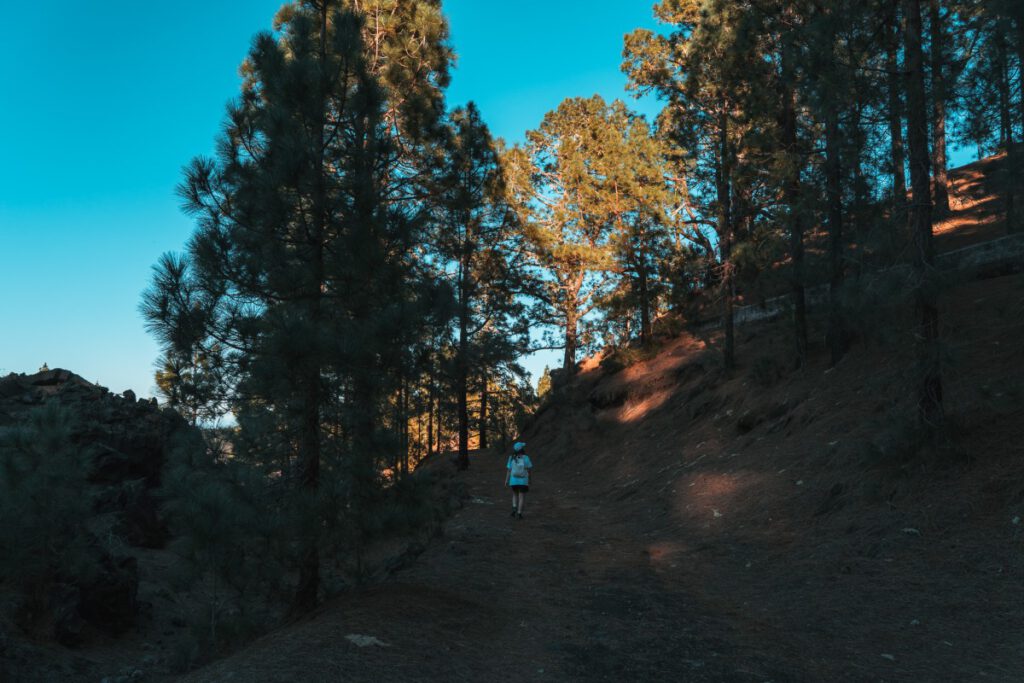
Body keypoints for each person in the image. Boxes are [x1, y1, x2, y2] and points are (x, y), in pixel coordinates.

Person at [505, 441, 532, 520]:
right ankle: (519, 513)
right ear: (522, 449)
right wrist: (530, 480)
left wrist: (506, 480)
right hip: (523, 481)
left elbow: (509, 470)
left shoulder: (511, 457)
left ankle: (514, 507)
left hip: (513, 481)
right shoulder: (526, 458)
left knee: (514, 494)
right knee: (521, 497)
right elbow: (529, 470)